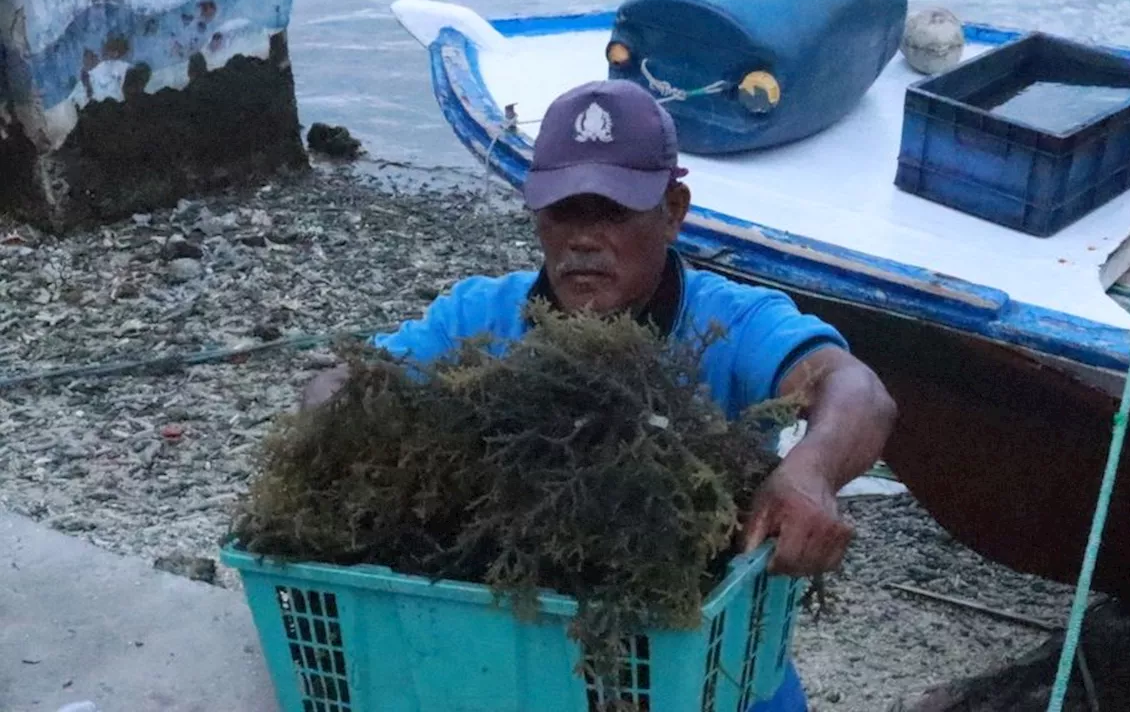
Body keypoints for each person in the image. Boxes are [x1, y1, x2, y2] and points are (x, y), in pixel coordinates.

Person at [301, 79, 897, 711]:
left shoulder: (733, 322)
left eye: (613, 210)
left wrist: (813, 467)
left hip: (694, 656)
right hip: (519, 645)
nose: (583, 239)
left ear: (673, 211)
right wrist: (337, 427)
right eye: (563, 211)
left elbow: (856, 388)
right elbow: (343, 382)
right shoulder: (478, 317)